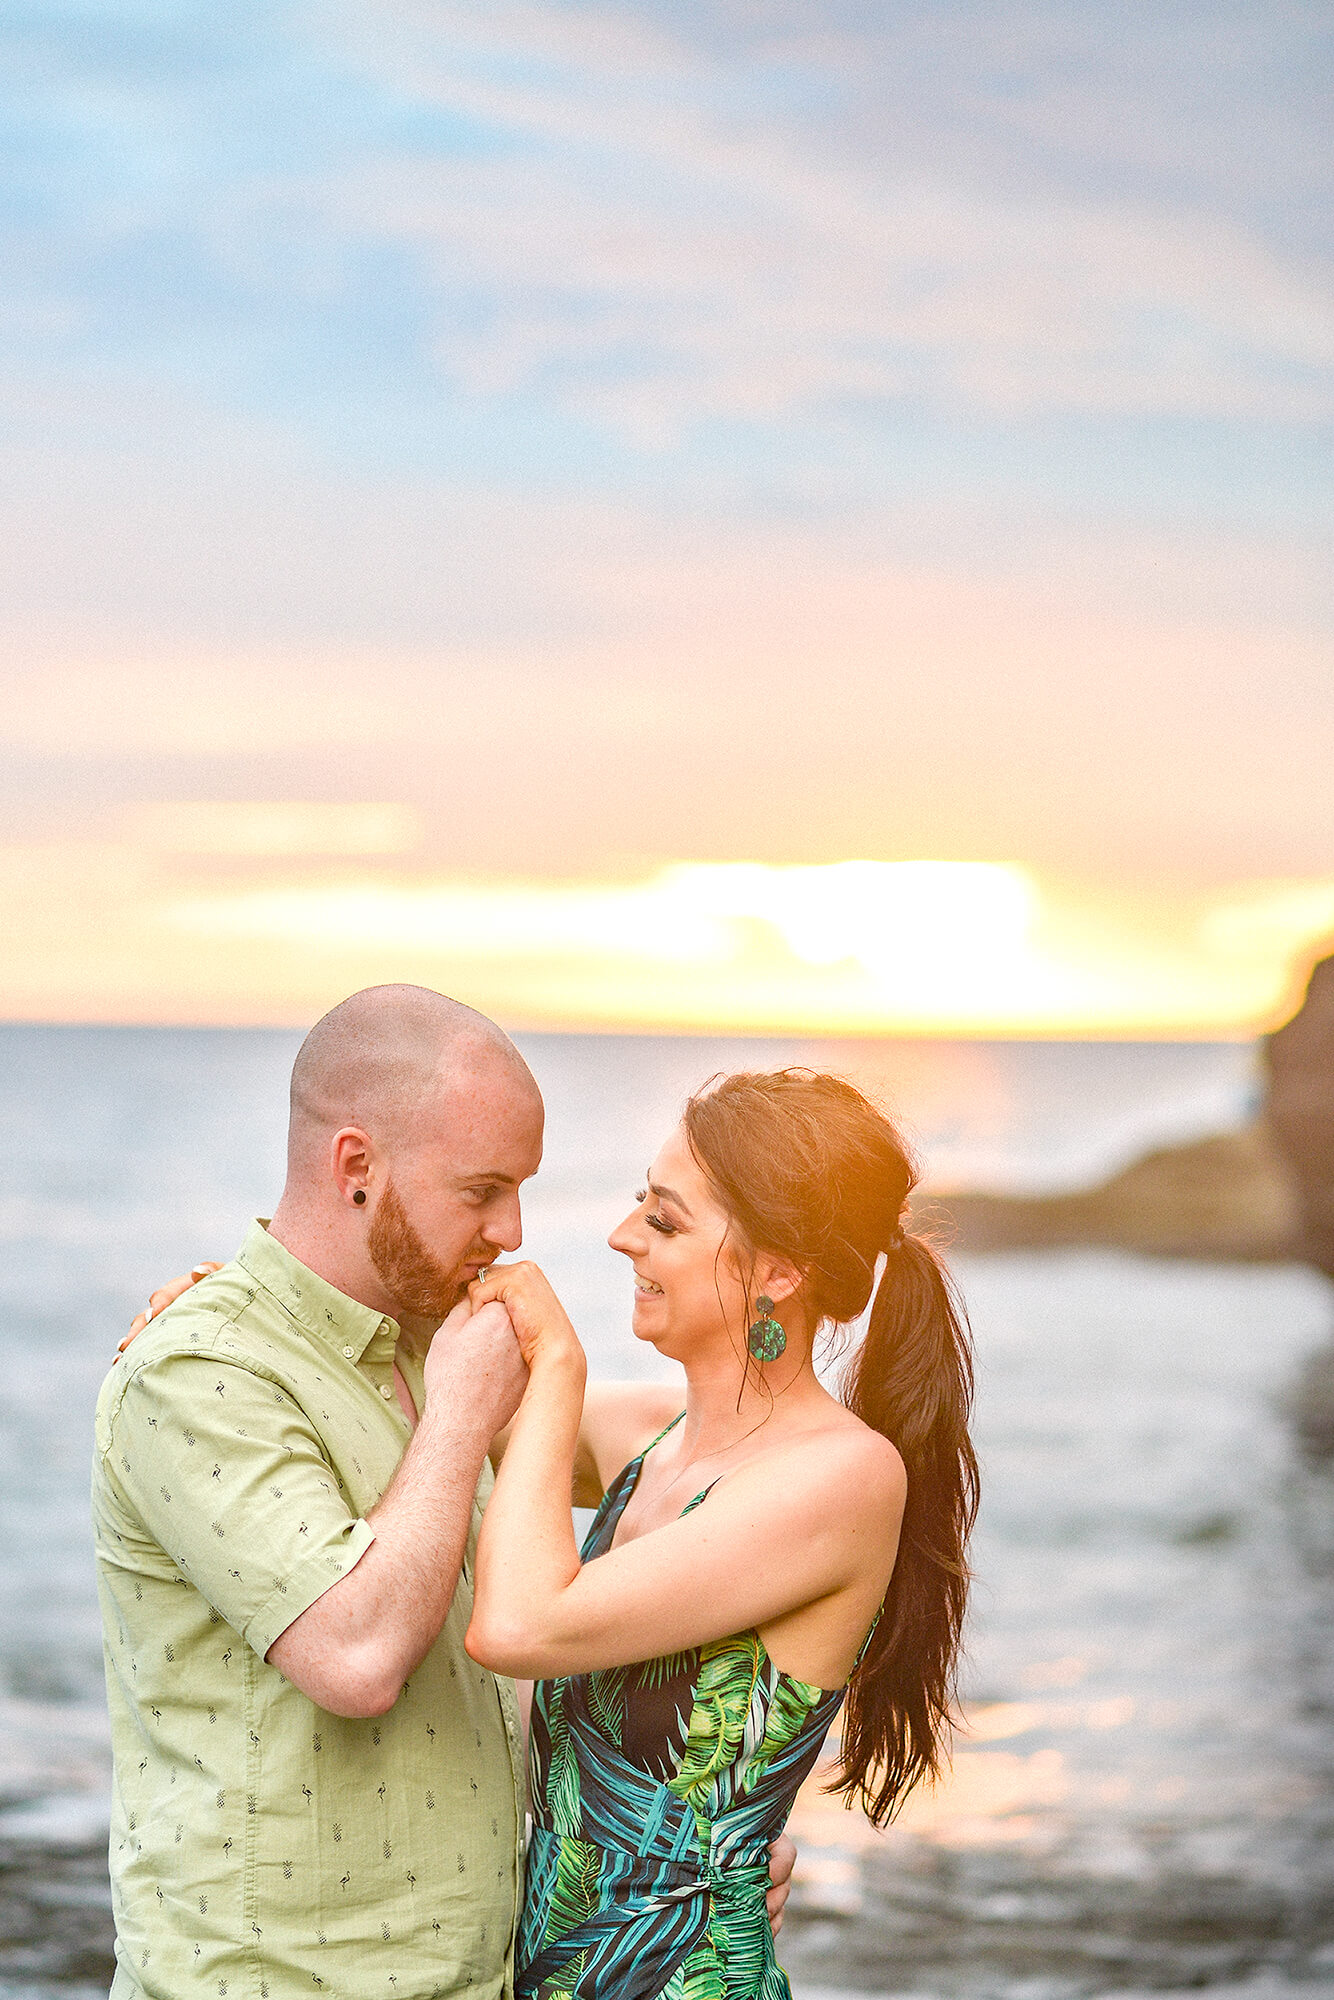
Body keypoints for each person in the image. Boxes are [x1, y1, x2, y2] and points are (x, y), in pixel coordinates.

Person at [102, 985, 794, 2000]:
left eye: (519, 1188)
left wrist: (692, 1863)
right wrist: (463, 1412)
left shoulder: (439, 1351)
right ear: (355, 1168)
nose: (509, 1228)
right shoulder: (199, 1369)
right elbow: (355, 1653)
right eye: (480, 1190)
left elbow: (704, 1454)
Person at [464, 1067, 979, 2000]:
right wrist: (254, 1311)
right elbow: (417, 1398)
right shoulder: (650, 1436)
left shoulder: (841, 1479)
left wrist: (556, 1360)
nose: (624, 1237)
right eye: (638, 1207)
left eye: (664, 1222)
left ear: (779, 1272)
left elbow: (520, 1627)